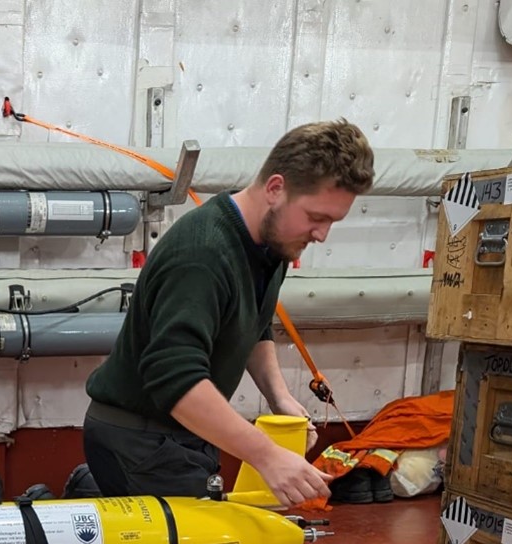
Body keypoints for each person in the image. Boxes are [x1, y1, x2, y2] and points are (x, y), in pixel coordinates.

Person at [80, 119, 375, 509]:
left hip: (182, 435)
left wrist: (279, 396)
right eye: (316, 217)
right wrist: (267, 456)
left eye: (332, 222)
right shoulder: (203, 254)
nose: (321, 235)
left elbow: (253, 323)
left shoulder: (275, 243)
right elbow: (175, 380)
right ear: (275, 188)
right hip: (143, 440)